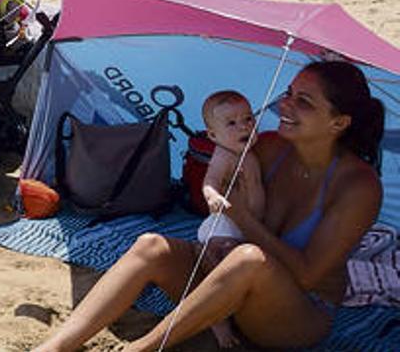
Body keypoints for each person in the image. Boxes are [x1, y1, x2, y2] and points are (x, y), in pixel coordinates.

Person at [34, 61, 384, 352]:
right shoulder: (269, 147)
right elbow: (217, 188)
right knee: (151, 246)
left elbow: (307, 275)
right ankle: (55, 347)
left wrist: (240, 216)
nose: (285, 105)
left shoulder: (358, 186)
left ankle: (139, 350)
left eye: (304, 101)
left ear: (339, 123)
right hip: (230, 290)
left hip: (294, 317)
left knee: (249, 260)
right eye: (288, 93)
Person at [194, 90, 261, 348]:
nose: (243, 127)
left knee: (234, 270)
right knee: (219, 266)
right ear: (213, 136)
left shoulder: (252, 152)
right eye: (231, 123)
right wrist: (212, 196)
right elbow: (210, 180)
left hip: (244, 226)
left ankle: (232, 311)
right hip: (222, 227)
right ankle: (218, 323)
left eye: (248, 119)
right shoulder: (224, 155)